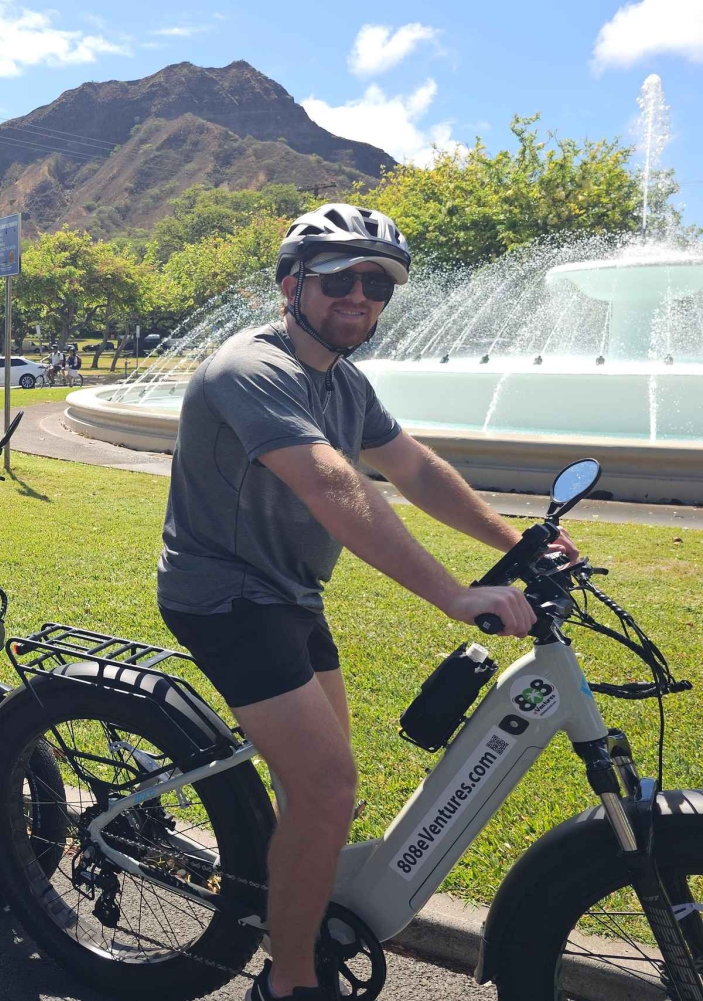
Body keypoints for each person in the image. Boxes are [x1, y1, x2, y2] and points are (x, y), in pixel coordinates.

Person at [154, 204, 577, 1001]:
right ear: (291, 284)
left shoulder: (344, 382)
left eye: (377, 283)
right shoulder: (251, 367)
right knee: (326, 783)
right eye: (340, 278)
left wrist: (516, 542)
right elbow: (331, 482)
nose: (360, 296)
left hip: (289, 593)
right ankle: (288, 979)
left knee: (320, 786)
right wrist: (452, 592)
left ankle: (289, 908)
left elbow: (413, 469)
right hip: (223, 595)